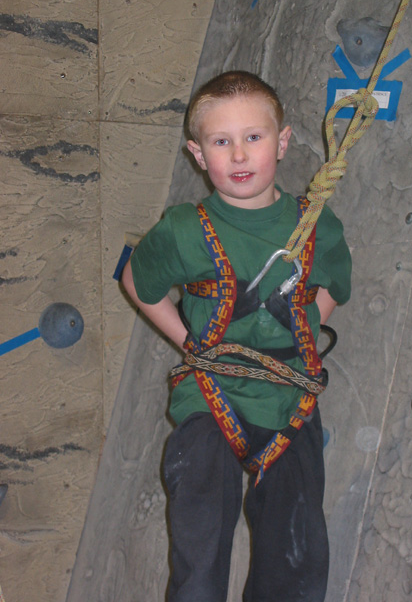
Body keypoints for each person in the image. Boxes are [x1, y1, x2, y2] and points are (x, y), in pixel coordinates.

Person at [122, 70, 352, 602]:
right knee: (199, 564)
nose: (240, 154)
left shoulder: (317, 226)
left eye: (253, 137)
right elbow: (137, 281)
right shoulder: (184, 229)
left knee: (298, 564)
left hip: (289, 399)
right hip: (210, 399)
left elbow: (334, 287)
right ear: (198, 154)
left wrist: (297, 338)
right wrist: (191, 344)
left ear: (283, 141)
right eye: (221, 142)